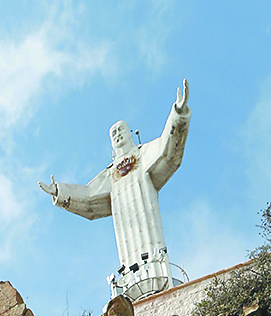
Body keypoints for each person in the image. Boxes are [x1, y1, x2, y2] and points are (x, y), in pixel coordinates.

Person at [40, 80, 190, 300]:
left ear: (130, 133)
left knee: (152, 252)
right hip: (126, 238)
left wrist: (178, 113)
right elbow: (89, 198)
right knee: (130, 258)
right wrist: (59, 192)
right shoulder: (111, 174)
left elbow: (168, 150)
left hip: (150, 227)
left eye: (121, 130)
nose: (118, 134)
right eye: (113, 134)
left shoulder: (142, 154)